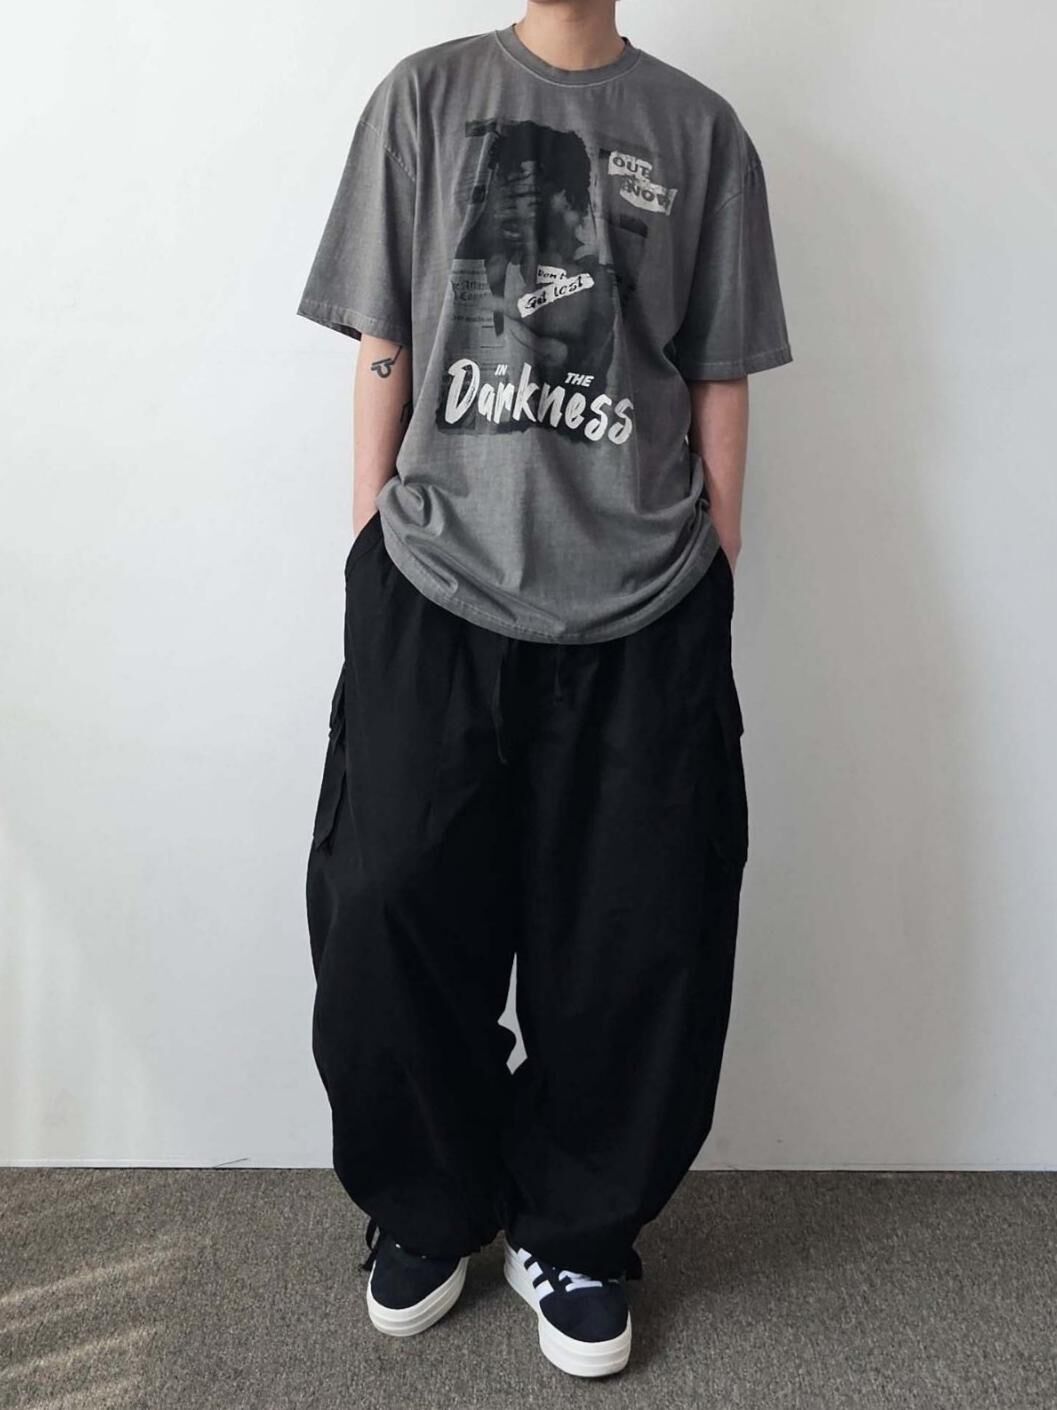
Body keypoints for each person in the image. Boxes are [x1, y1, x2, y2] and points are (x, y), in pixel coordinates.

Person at [297, 0, 792, 1379]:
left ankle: (576, 1223)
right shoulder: (423, 98)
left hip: (644, 602)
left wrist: (716, 565)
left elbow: (719, 371)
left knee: (637, 931)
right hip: (435, 580)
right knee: (390, 898)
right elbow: (385, 336)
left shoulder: (701, 133)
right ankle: (428, 1199)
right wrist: (369, 547)